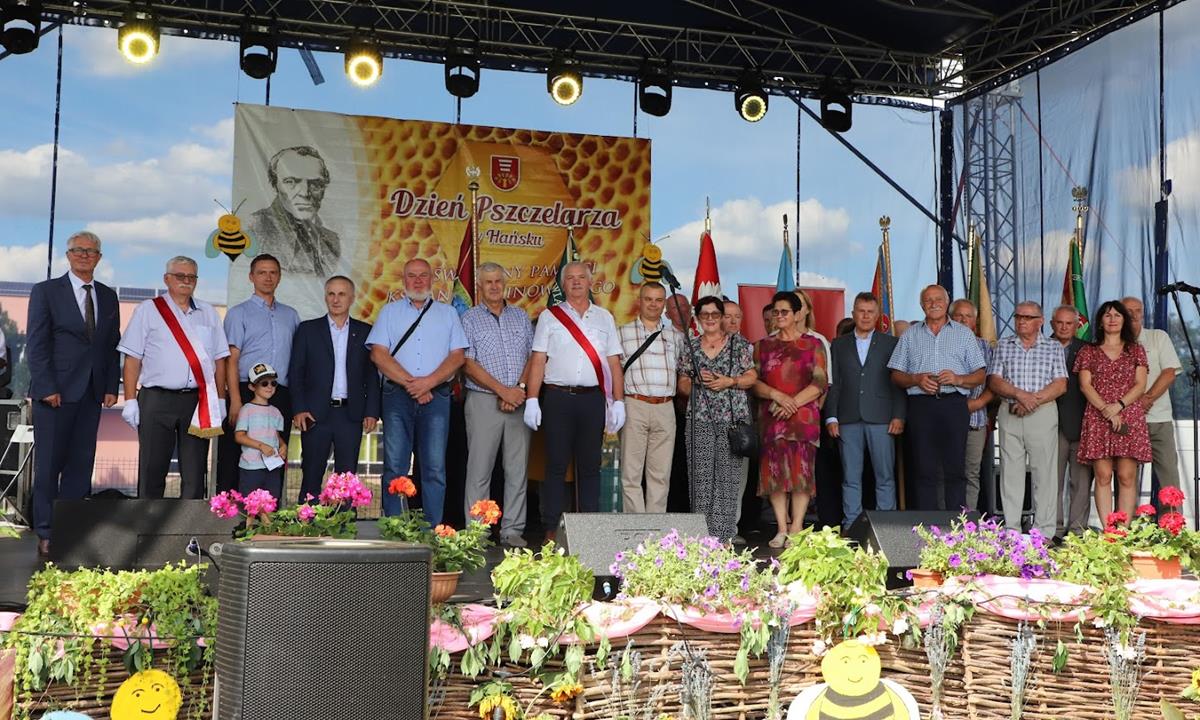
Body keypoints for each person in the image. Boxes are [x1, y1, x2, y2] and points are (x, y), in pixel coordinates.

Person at [26, 231, 120, 556]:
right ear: (68, 255)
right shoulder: (46, 291)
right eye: (78, 250)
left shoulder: (108, 296)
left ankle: (72, 530)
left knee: (81, 465)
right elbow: (36, 344)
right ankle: (46, 532)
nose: (84, 255)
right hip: (55, 394)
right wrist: (46, 387)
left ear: (99, 258)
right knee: (49, 466)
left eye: (90, 251)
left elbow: (111, 346)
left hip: (92, 393)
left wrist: (111, 386)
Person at [524, 261, 626, 540]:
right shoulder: (550, 317)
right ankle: (550, 529)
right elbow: (538, 360)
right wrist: (532, 399)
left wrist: (618, 401)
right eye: (570, 278)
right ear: (563, 284)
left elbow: (614, 363)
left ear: (590, 282)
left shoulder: (604, 318)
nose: (577, 282)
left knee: (590, 466)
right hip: (558, 398)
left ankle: (589, 530)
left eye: (582, 277)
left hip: (592, 400)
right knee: (556, 465)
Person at [367, 258, 468, 526]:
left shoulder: (448, 313)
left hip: (436, 399)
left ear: (432, 279)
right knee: (395, 466)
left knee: (434, 468)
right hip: (397, 398)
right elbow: (378, 354)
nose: (418, 281)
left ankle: (433, 530)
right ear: (403, 280)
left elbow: (458, 356)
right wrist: (414, 384)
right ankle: (395, 529)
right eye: (412, 276)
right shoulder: (389, 312)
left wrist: (429, 383)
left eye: (423, 275)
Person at [119, 257, 229, 499]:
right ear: (167, 279)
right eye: (180, 276)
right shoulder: (148, 310)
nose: (186, 281)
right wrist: (129, 400)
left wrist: (220, 399)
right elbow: (132, 359)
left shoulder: (208, 313)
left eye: (191, 277)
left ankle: (188, 523)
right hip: (157, 398)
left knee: (195, 472)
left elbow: (220, 360)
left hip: (197, 401)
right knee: (152, 468)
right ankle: (148, 521)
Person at [888, 285, 986, 511]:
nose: (933, 304)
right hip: (920, 406)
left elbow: (980, 375)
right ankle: (926, 524)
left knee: (955, 468)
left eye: (938, 299)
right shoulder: (910, 335)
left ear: (947, 303)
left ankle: (956, 524)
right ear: (922, 305)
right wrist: (916, 379)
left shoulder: (964, 334)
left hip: (954, 405)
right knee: (924, 468)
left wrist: (958, 379)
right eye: (928, 300)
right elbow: (895, 375)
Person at [461, 263, 533, 547]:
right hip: (483, 400)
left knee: (517, 470)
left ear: (505, 285)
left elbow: (533, 357)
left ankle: (512, 530)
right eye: (488, 282)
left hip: (519, 400)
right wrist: (503, 391)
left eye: (498, 281)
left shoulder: (521, 317)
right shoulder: (469, 319)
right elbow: (467, 363)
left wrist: (520, 390)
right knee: (480, 470)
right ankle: (478, 532)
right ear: (479, 286)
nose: (494, 286)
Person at [289, 275, 380, 500]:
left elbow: (372, 376)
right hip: (315, 415)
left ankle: (343, 520)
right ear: (325, 297)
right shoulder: (308, 330)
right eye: (331, 294)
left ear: (352, 298)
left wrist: (371, 411)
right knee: (311, 474)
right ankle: (306, 519)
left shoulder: (365, 332)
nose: (336, 299)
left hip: (350, 415)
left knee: (346, 480)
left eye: (341, 294)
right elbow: (296, 373)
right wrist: (299, 408)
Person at [217, 254, 300, 494]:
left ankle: (269, 510)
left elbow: (297, 360)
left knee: (276, 453)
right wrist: (235, 400)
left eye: (273, 272)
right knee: (235, 454)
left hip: (280, 393)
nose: (268, 277)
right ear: (251, 277)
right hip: (245, 390)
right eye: (262, 272)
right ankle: (231, 509)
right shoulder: (239, 313)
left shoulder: (291, 315)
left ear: (280, 277)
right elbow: (231, 359)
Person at [987, 302, 1067, 538]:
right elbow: (994, 381)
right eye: (1018, 316)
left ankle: (1043, 533)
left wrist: (1032, 400)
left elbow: (1060, 384)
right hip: (1010, 411)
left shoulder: (1053, 347)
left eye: (1028, 317)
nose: (1022, 321)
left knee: (1045, 474)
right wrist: (1020, 395)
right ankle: (1012, 531)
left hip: (1042, 414)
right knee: (1010, 473)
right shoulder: (1004, 345)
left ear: (1040, 321)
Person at [825, 292, 905, 530]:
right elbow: (834, 383)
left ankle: (886, 525)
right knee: (850, 477)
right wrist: (831, 416)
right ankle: (851, 526)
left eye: (870, 312)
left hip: (882, 418)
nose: (866, 316)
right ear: (853, 314)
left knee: (885, 476)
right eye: (861, 311)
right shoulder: (838, 344)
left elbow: (898, 382)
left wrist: (899, 415)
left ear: (877, 315)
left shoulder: (891, 343)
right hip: (847, 418)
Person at [752, 292, 826, 546]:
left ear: (797, 314)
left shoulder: (813, 344)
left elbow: (820, 383)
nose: (779, 316)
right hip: (773, 417)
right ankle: (781, 528)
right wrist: (777, 396)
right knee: (775, 474)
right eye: (776, 311)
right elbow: (754, 382)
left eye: (785, 311)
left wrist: (791, 402)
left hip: (802, 419)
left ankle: (796, 527)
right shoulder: (762, 346)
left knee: (801, 474)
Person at [680, 296, 755, 541]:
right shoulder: (690, 345)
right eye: (705, 314)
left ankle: (723, 539)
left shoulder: (739, 344)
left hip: (731, 422)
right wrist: (696, 382)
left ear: (722, 317)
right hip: (699, 419)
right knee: (700, 480)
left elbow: (752, 377)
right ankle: (701, 539)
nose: (710, 319)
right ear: (698, 318)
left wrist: (729, 381)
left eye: (715, 314)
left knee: (728, 481)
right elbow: (682, 385)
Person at [1075, 301, 1151, 520]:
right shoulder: (1088, 351)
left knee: (1127, 476)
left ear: (1124, 320)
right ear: (1100, 321)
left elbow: (1140, 385)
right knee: (1103, 475)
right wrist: (1105, 409)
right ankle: (1109, 531)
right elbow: (1085, 385)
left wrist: (1118, 406)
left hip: (1128, 414)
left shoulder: (1135, 350)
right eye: (1107, 315)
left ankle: (1123, 531)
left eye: (1117, 315)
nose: (1112, 319)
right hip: (1098, 416)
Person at [618, 282, 684, 514]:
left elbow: (683, 372)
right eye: (648, 299)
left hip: (665, 407)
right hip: (634, 403)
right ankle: (635, 526)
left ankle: (655, 527)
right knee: (631, 473)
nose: (653, 304)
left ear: (664, 304)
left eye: (658, 300)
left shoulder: (676, 336)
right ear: (639, 301)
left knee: (660, 474)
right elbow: (613, 372)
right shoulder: (622, 333)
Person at [245, 146, 342, 276]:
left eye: (315, 184)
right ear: (275, 186)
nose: (305, 193)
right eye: (291, 182)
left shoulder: (333, 241)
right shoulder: (254, 227)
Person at [1121, 296, 1182, 498]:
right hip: (1125, 421)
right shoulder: (1112, 342)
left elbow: (1169, 373)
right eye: (1128, 311)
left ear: (1143, 314)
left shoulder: (1158, 337)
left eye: (1138, 310)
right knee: (1125, 478)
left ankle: (1172, 519)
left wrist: (1146, 399)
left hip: (1158, 419)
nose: (1133, 315)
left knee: (1169, 478)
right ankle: (1124, 519)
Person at [950, 299, 996, 512]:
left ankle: (967, 520)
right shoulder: (940, 344)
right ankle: (943, 520)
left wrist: (977, 403)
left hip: (975, 420)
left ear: (975, 322)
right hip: (947, 420)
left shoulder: (985, 347)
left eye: (968, 316)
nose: (963, 320)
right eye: (958, 316)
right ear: (950, 319)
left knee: (971, 473)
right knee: (946, 472)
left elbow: (994, 383)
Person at [1051, 305, 1092, 535]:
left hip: (1082, 424)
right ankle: (1053, 529)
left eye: (1069, 323)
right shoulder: (1040, 346)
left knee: (1081, 482)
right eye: (1060, 323)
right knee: (1051, 482)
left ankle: (1077, 531)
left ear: (1078, 325)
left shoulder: (1088, 349)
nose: (1064, 327)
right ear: (1051, 324)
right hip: (1050, 425)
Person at [234, 363, 287, 499]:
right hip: (251, 467)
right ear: (252, 387)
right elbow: (239, 436)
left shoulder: (276, 412)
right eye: (264, 383)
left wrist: (283, 445)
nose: (269, 387)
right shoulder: (246, 409)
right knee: (250, 504)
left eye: (273, 383)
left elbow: (276, 436)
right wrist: (260, 446)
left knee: (271, 502)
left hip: (272, 466)